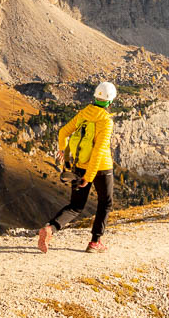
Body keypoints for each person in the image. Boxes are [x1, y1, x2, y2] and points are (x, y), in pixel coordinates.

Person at [37, 81, 117, 253]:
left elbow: (63, 132)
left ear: (96, 96)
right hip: (101, 168)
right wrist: (89, 176)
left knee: (75, 206)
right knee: (105, 203)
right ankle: (95, 242)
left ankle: (50, 228)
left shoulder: (84, 113)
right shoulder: (105, 121)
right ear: (111, 101)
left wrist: (64, 154)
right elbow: (98, 152)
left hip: (79, 165)